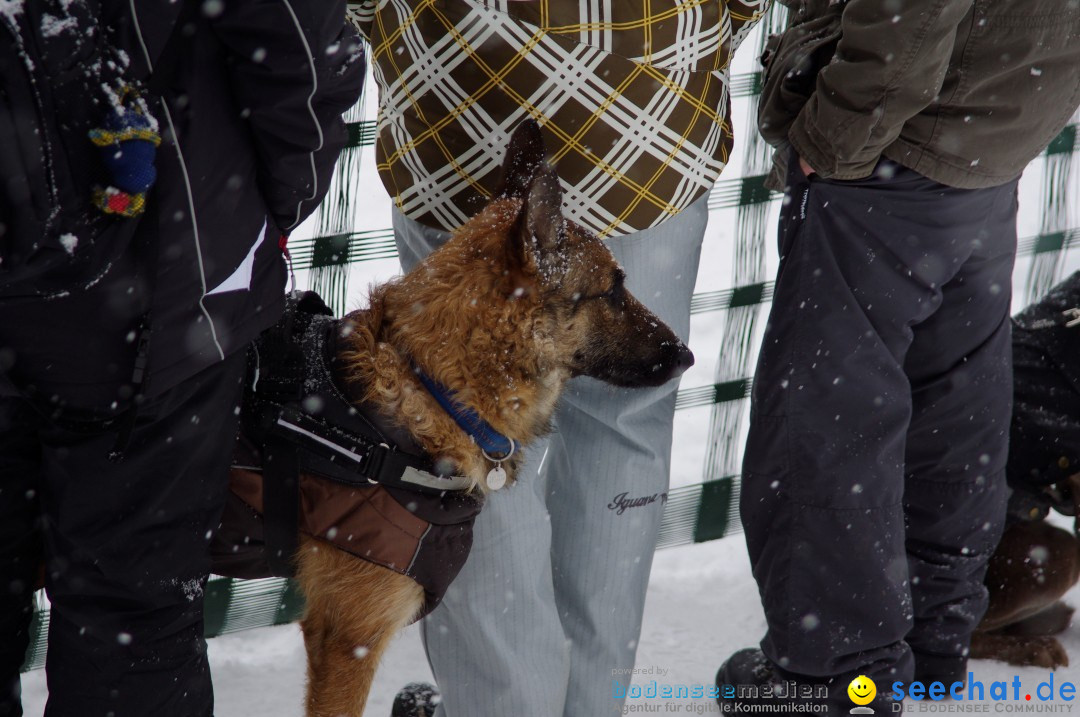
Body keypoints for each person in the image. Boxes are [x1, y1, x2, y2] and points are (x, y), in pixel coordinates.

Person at [350, 1, 769, 715]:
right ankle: (588, 703)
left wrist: (398, 32)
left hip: (457, 81)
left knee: (460, 422)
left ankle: (500, 702)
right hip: (648, 100)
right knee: (623, 423)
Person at [0, 1, 363, 715]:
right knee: (132, 616)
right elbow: (304, 48)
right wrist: (257, 214)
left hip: (138, 276)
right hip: (154, 285)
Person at [717, 0, 1080, 710]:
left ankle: (832, 676)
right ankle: (931, 643)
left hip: (900, 140)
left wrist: (835, 136)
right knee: (957, 403)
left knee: (827, 417)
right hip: (1000, 121)